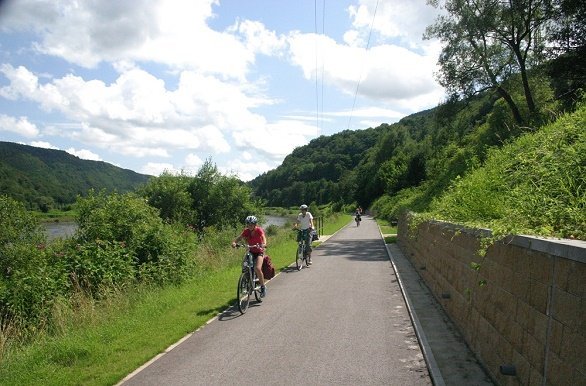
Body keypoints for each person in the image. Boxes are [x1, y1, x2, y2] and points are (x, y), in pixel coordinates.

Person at [232, 215, 268, 297]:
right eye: (248, 224)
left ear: (255, 224)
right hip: (251, 251)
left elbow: (263, 237)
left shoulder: (259, 230)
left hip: (259, 252)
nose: (249, 226)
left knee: (257, 268)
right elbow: (240, 238)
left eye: (251, 224)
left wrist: (264, 244)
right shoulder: (246, 231)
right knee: (245, 266)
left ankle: (263, 287)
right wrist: (234, 242)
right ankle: (247, 282)